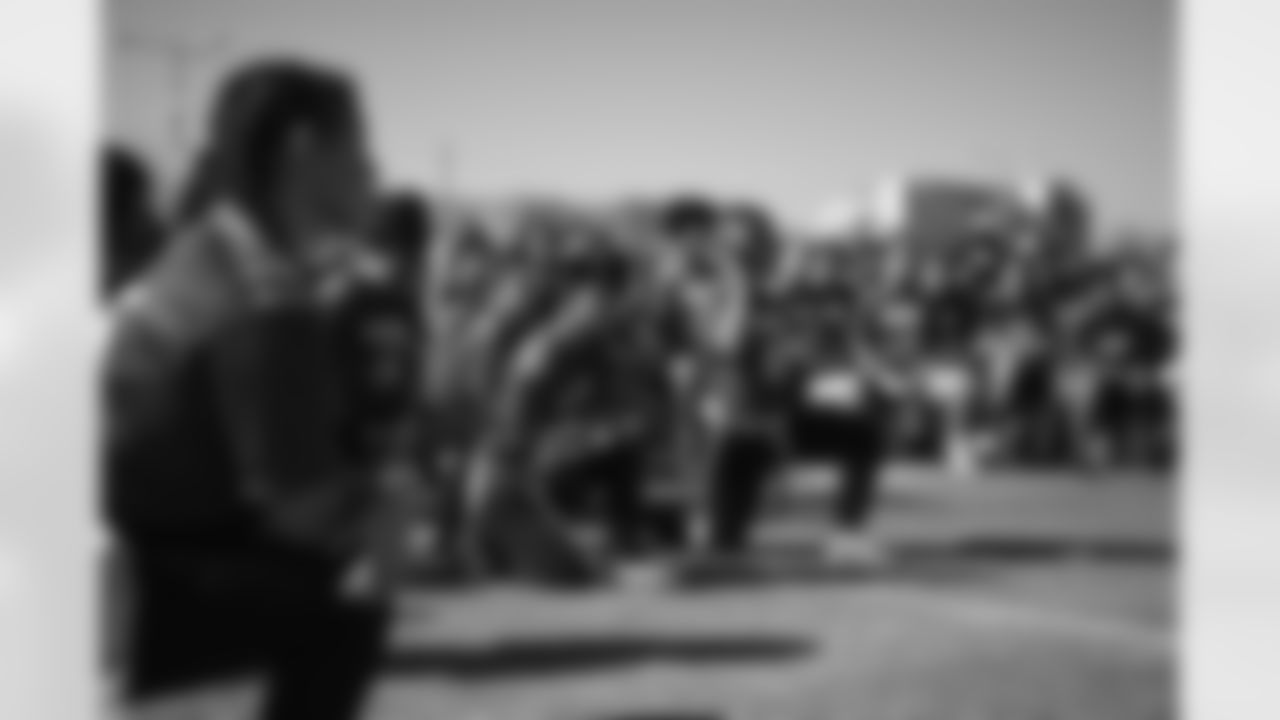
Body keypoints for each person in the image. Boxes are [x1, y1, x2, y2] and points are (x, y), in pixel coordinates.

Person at [104, 58, 391, 720]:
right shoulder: (266, 297)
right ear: (303, 151)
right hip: (106, 575)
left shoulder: (202, 248)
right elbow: (303, 513)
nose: (373, 171)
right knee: (345, 602)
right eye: (359, 147)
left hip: (97, 542)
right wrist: (383, 505)